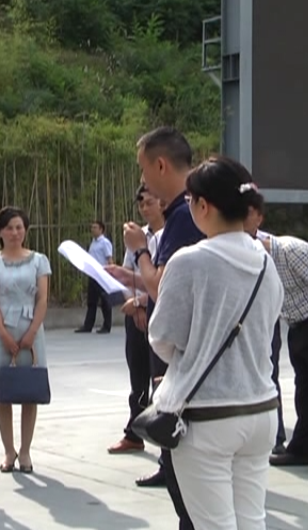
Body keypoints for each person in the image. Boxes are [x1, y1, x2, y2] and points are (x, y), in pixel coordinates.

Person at [148, 156, 283, 529]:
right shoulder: (265, 262)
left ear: (203, 205)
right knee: (251, 520)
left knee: (214, 524)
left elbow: (162, 338)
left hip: (207, 417)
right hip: (260, 410)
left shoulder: (189, 262)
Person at [106, 126, 204, 529]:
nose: (143, 181)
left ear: (160, 165)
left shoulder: (182, 215)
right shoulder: (206, 213)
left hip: (192, 368)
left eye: (143, 169)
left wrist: (140, 251)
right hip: (237, 390)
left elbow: (164, 286)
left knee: (195, 504)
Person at [0, 206, 51, 473]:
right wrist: (4, 335)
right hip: (1, 328)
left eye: (19, 227)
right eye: (9, 228)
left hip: (32, 326)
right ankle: (8, 450)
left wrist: (32, 331)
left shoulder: (39, 260)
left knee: (30, 389)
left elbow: (42, 299)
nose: (15, 232)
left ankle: (26, 451)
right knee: (4, 392)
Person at [108, 184, 164, 454]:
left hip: (162, 313)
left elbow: (165, 282)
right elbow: (126, 274)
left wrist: (142, 302)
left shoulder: (172, 235)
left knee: (161, 377)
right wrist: (135, 306)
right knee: (137, 373)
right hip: (136, 313)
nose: (144, 208)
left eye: (149, 202)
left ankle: (164, 436)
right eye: (140, 204)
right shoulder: (136, 236)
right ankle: (134, 431)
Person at [254, 232, 308, 467]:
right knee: (304, 390)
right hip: (297, 327)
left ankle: (301, 449)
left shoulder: (290, 250)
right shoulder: (262, 265)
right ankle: (301, 449)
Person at [243, 196, 289, 455]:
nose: (243, 217)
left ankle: (276, 436)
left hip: (266, 322)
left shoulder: (272, 246)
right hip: (238, 324)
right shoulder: (224, 243)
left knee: (268, 374)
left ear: (259, 217)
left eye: (248, 212)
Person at [76, 220, 113, 334]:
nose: (92, 229)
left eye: (95, 227)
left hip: (102, 274)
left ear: (101, 229)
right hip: (93, 274)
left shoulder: (105, 243)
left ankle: (107, 326)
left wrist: (111, 273)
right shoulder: (93, 243)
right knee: (91, 301)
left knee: (105, 301)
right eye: (92, 227)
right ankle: (88, 326)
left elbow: (109, 258)